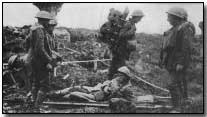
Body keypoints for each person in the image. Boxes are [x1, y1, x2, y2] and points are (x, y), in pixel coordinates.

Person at [160, 7, 195, 113]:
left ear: (177, 17)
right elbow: (167, 47)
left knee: (172, 84)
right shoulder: (174, 29)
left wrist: (180, 62)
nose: (168, 19)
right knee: (179, 82)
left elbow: (186, 48)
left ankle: (177, 108)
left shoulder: (184, 29)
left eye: (169, 17)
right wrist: (162, 59)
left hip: (178, 62)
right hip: (171, 61)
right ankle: (184, 102)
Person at [47, 66, 133, 102]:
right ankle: (54, 94)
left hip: (98, 96)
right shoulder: (116, 79)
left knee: (74, 94)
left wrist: (111, 91)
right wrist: (106, 86)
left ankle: (57, 98)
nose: (119, 76)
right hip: (94, 89)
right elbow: (106, 82)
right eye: (119, 74)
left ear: (126, 77)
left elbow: (123, 98)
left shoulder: (126, 87)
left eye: (121, 75)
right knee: (74, 88)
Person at [26, 11, 55, 108]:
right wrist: (48, 60)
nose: (48, 23)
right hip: (40, 61)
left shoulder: (32, 29)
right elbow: (40, 49)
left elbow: (26, 43)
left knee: (36, 83)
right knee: (45, 85)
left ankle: (34, 104)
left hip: (32, 59)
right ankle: (38, 106)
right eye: (47, 21)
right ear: (43, 21)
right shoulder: (40, 30)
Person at [99, 8, 128, 80]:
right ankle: (111, 78)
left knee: (118, 65)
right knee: (115, 66)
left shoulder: (121, 25)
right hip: (111, 48)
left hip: (118, 49)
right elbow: (102, 34)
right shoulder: (107, 25)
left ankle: (114, 77)